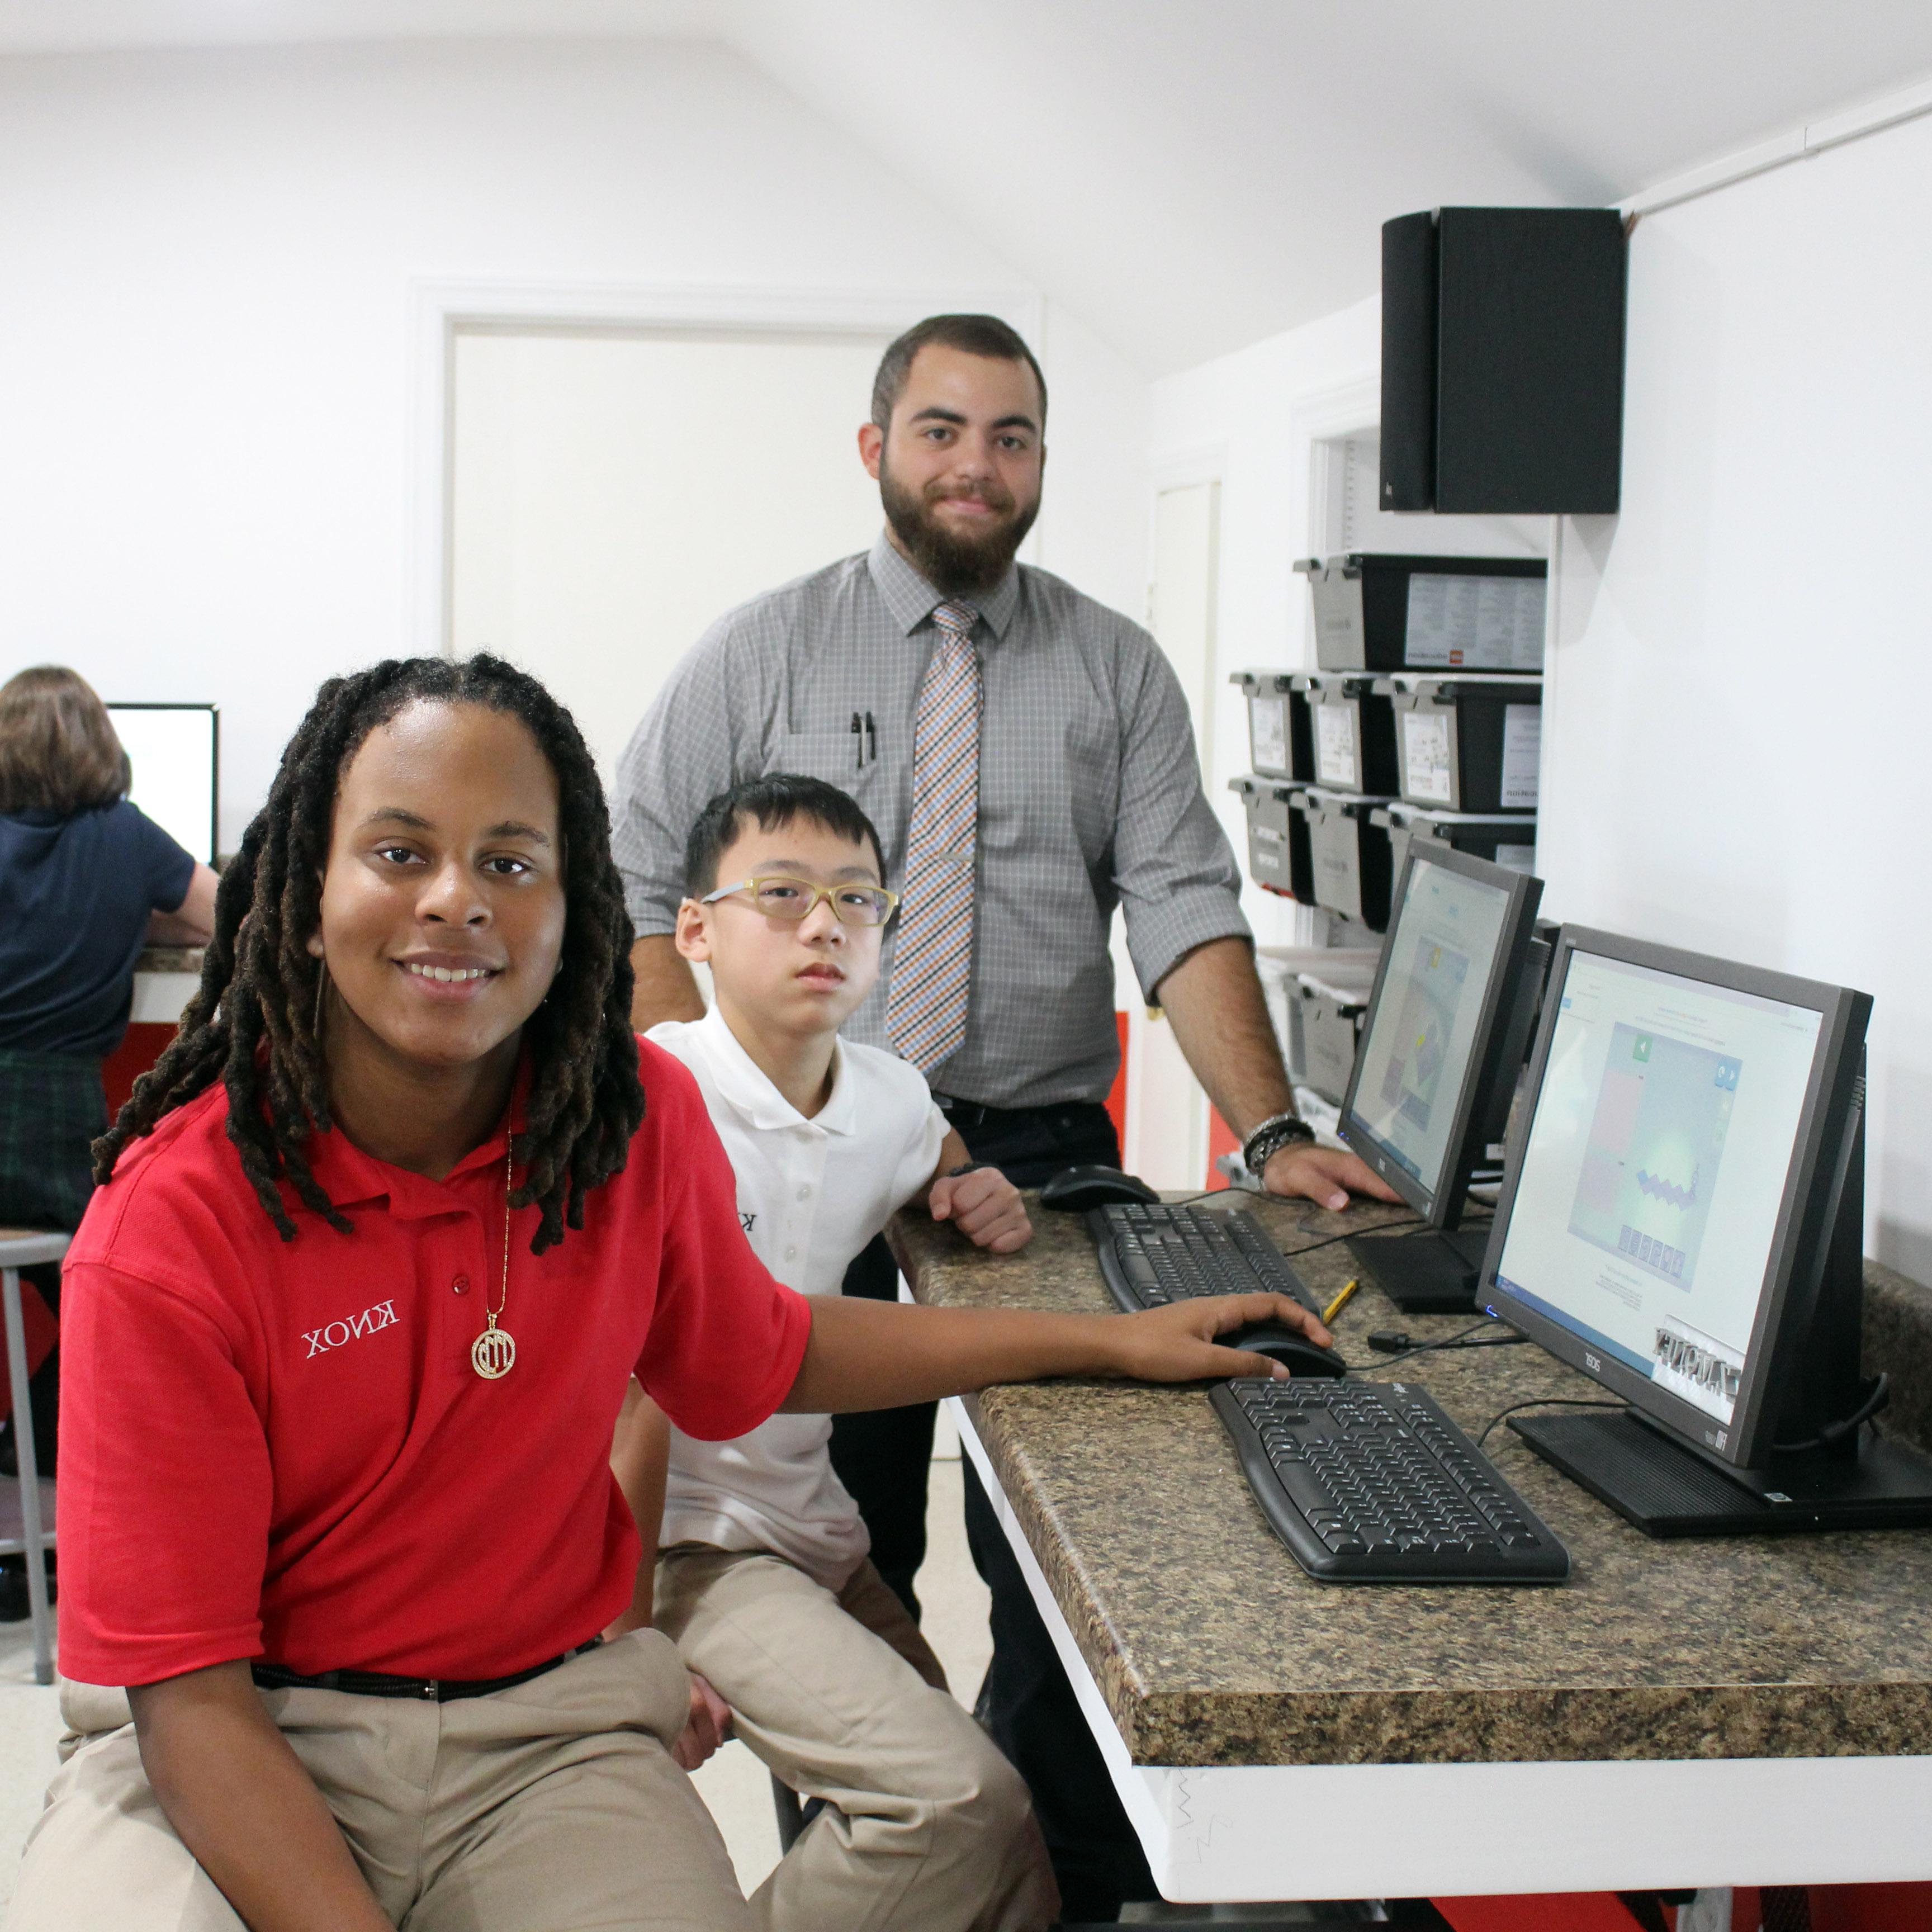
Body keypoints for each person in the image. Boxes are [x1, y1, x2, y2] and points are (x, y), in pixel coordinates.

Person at [12, 652, 1333, 1932]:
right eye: (400, 852)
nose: (457, 901)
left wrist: (1100, 1342)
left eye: (511, 863)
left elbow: (765, 1350)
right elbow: (188, 1698)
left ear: (575, 907)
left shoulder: (631, 1123)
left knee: (968, 1815)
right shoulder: (174, 1221)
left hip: (540, 1741)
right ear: (303, 892)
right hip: (233, 1735)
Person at [611, 313, 1398, 1918]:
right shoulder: (759, 652)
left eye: (1014, 435)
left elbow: (1184, 908)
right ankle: (880, 1868)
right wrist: (709, 1124)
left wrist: (1269, 1133)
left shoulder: (1112, 667)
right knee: (846, 1546)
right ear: (877, 448)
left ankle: (1063, 1877)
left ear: (1044, 458)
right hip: (814, 1138)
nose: (978, 464)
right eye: (944, 430)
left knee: (1070, 1551)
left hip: (1026, 1154)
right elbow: (638, 888)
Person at [609, 770, 1056, 1932]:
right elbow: (615, 1402)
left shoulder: (888, 1095)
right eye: (785, 893)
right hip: (682, 1547)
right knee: (955, 1804)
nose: (826, 925)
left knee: (1012, 1854)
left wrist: (969, 1185)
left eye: (858, 900)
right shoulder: (651, 1095)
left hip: (813, 1529)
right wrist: (629, 1647)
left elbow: (929, 1139)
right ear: (696, 930)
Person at [0, 667, 217, 1601]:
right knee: (94, 1293)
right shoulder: (125, 839)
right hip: (61, 1124)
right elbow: (232, 911)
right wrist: (142, 902)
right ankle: (74, 1486)